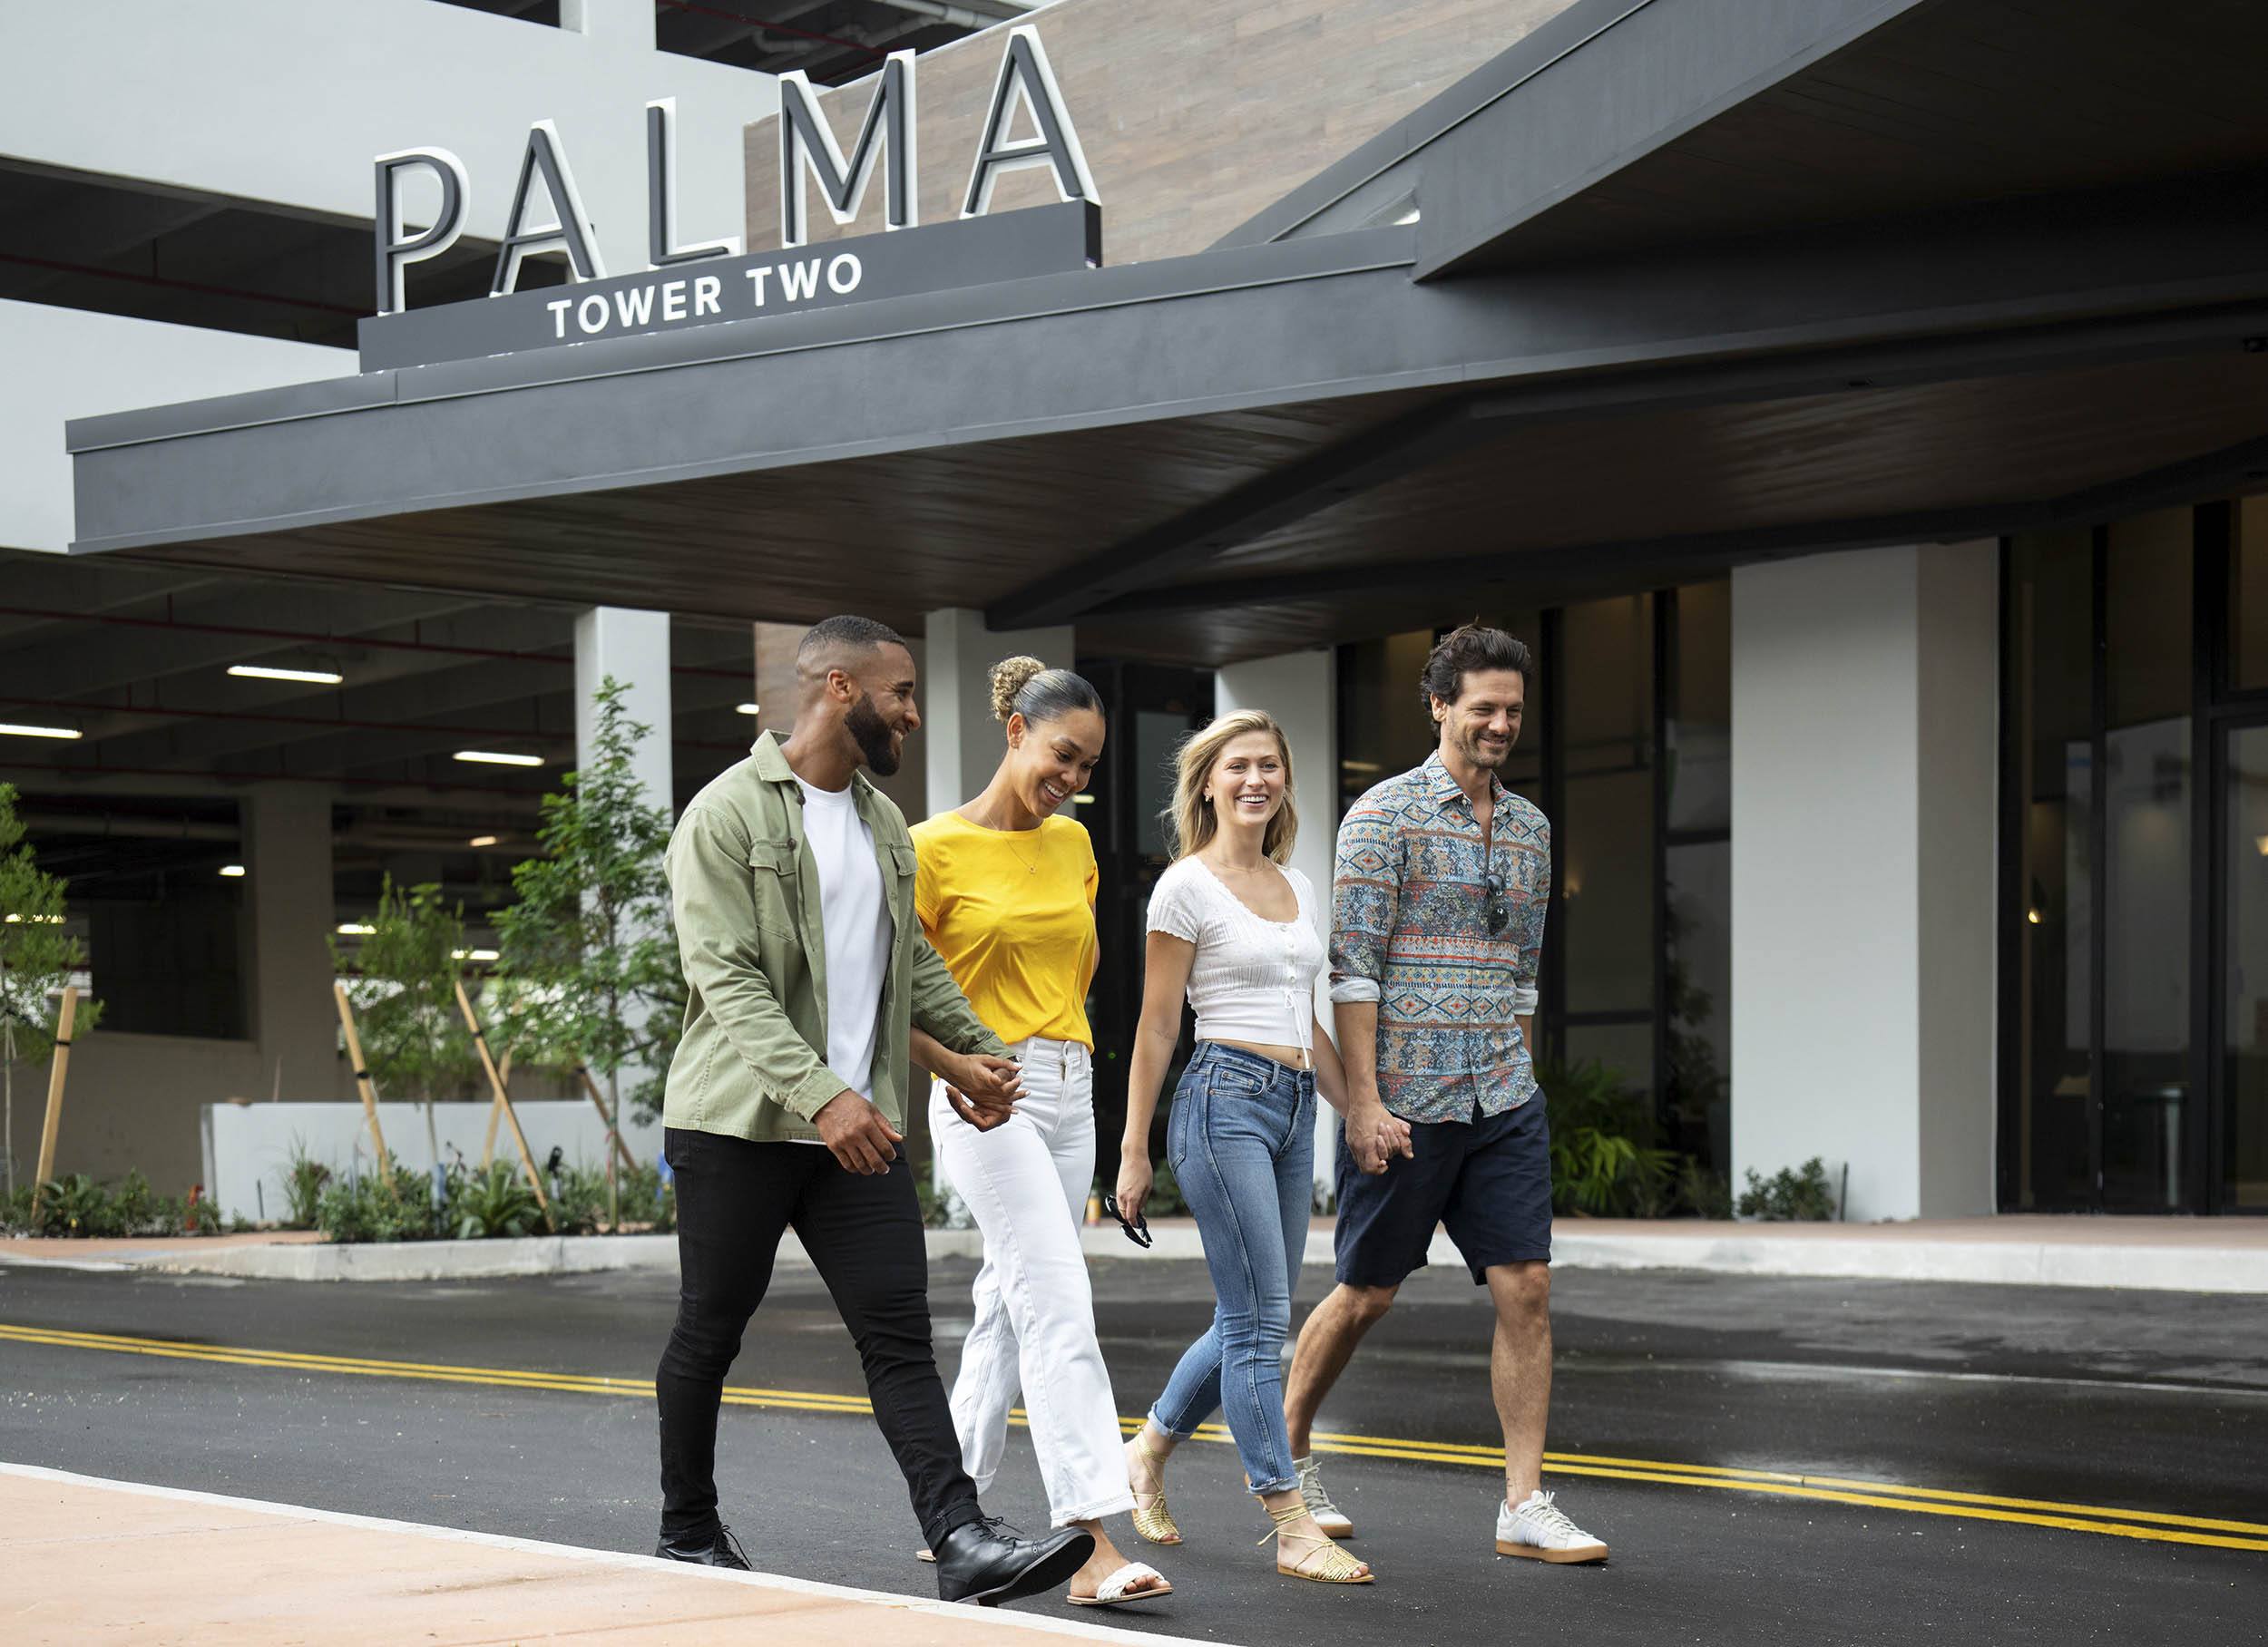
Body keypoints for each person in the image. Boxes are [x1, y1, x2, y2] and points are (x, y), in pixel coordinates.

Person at [652, 614, 1096, 1607]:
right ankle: (686, 1530)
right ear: (840, 688)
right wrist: (825, 1096)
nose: (913, 714)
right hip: (740, 1126)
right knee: (710, 1330)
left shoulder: (880, 821)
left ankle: (960, 1540)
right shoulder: (726, 815)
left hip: (858, 1130)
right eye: (901, 693)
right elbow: (728, 982)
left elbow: (914, 961)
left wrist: (975, 1054)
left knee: (898, 1334)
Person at [1284, 623, 1608, 1565]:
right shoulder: (1380, 817)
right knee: (1366, 1294)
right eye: (1484, 708)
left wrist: (1522, 1078)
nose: (1501, 724)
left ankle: (1523, 1503)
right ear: (1438, 706)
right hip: (1406, 1100)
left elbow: (1524, 975)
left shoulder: (1532, 830)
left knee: (1527, 1289)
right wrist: (1364, 1104)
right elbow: (1352, 973)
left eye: (1514, 710)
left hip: (1502, 1096)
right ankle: (1287, 1462)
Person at [910, 656, 1171, 1610]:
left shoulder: (1073, 844)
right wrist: (956, 1066)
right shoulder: (930, 847)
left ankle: (951, 1511)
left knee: (1007, 1299)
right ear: (1016, 730)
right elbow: (888, 991)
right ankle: (1090, 1538)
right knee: (1057, 1300)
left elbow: (1081, 963)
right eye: (1063, 754)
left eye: (1089, 764)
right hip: (983, 1091)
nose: (1074, 777)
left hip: (1069, 1083)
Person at [1113, 709, 1374, 1585]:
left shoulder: (1297, 884)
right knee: (1262, 1323)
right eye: (1238, 766)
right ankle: (1290, 1522)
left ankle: (1147, 1450)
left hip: (1294, 1107)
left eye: (1269, 764)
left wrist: (1361, 1109)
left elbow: (1306, 1022)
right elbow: (1157, 1026)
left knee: (1249, 1317)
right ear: (1207, 785)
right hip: (1222, 1102)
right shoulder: (1184, 888)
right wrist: (1134, 1151)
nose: (1255, 779)